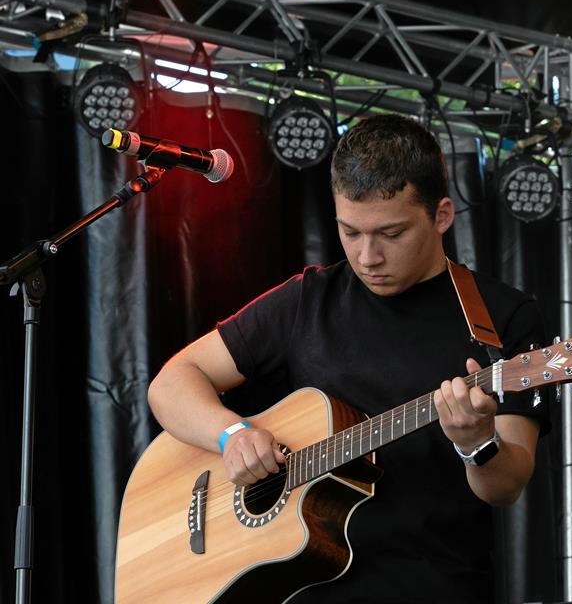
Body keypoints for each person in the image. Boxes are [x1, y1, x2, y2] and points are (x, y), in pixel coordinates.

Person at [147, 112, 549, 604]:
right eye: (350, 232)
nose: (367, 257)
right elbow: (171, 383)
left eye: (391, 234)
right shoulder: (307, 300)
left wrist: (475, 442)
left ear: (441, 215)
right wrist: (233, 436)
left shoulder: (501, 317)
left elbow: (506, 486)